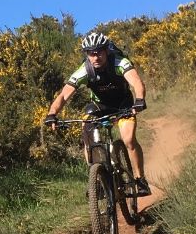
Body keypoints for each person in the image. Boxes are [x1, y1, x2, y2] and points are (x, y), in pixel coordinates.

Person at [44, 31, 152, 197]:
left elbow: (136, 81)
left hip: (123, 104)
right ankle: (98, 177)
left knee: (129, 140)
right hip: (99, 106)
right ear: (87, 54)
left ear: (106, 51)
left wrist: (139, 99)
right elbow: (64, 95)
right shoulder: (85, 70)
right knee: (87, 137)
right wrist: (52, 113)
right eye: (91, 53)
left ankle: (140, 179)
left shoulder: (119, 62)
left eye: (99, 52)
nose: (95, 57)